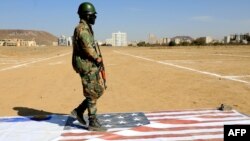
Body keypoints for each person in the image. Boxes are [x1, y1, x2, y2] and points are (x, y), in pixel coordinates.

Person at [71, 2, 106, 131]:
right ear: (86, 15)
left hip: (90, 64)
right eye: (92, 15)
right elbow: (88, 48)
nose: (94, 17)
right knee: (92, 92)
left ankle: (79, 110)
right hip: (86, 65)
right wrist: (97, 58)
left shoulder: (87, 27)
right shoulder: (82, 29)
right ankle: (92, 121)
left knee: (99, 90)